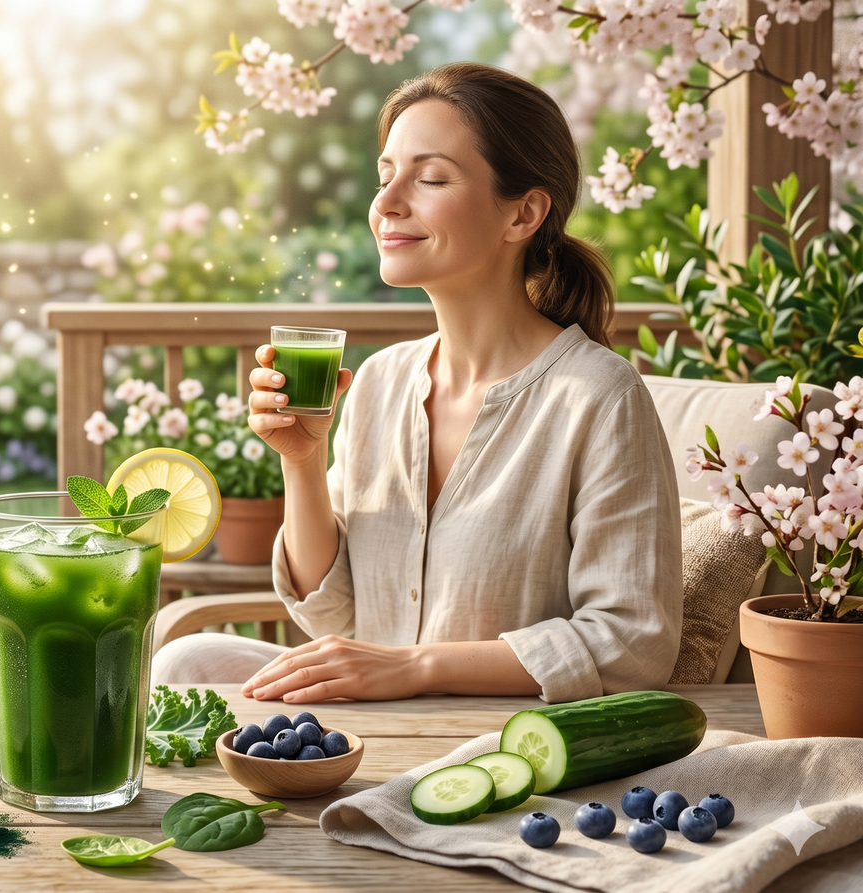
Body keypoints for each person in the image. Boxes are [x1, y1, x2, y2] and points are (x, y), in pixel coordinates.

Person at [149, 62, 682, 704]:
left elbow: (633, 645)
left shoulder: (599, 397)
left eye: (429, 177)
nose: (386, 202)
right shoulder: (380, 381)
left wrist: (419, 667)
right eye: (385, 175)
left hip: (502, 745)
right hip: (373, 723)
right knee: (187, 659)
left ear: (523, 214)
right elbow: (336, 618)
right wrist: (303, 458)